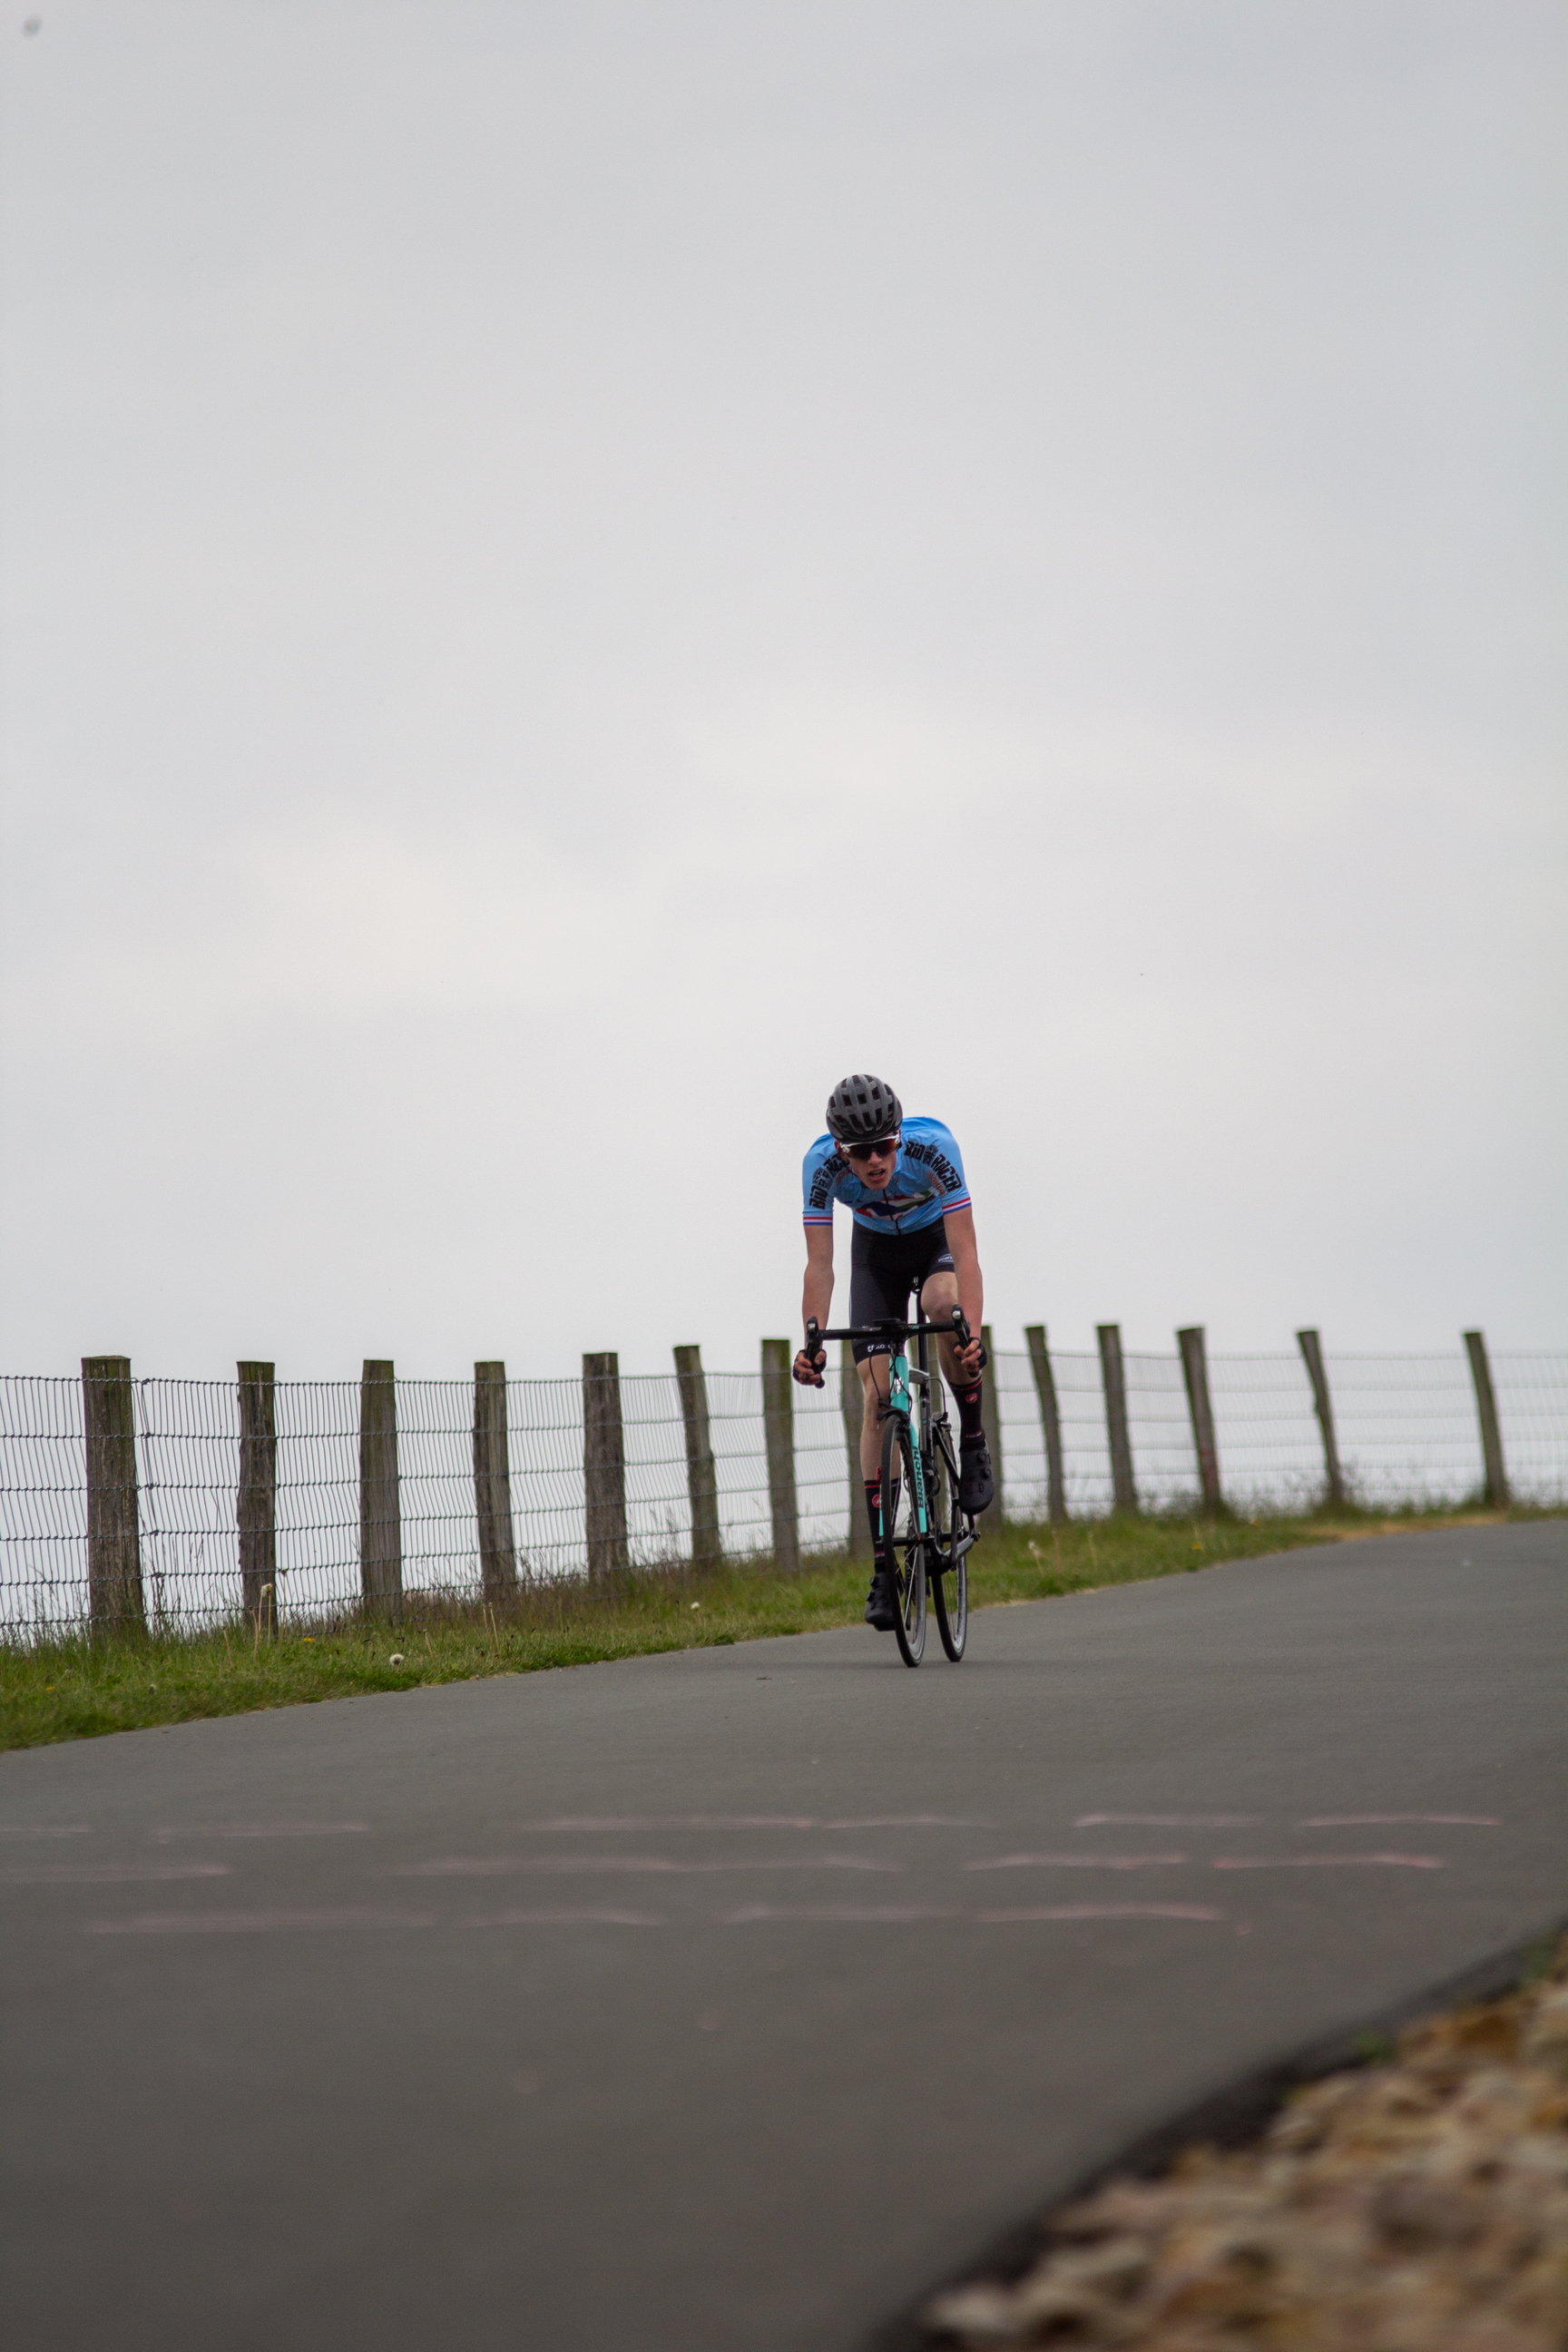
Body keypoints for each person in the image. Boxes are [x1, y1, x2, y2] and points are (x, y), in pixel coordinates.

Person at [792, 1073, 995, 1632]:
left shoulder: (934, 1148)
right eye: (863, 1152)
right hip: (874, 1256)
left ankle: (973, 1439)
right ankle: (884, 1565)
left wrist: (970, 1333)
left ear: (899, 1135)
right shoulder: (820, 1168)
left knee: (943, 1304)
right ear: (841, 1150)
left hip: (934, 1246)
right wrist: (812, 1337)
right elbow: (821, 1265)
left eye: (885, 1145)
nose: (877, 1160)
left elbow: (967, 1250)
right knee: (878, 1395)